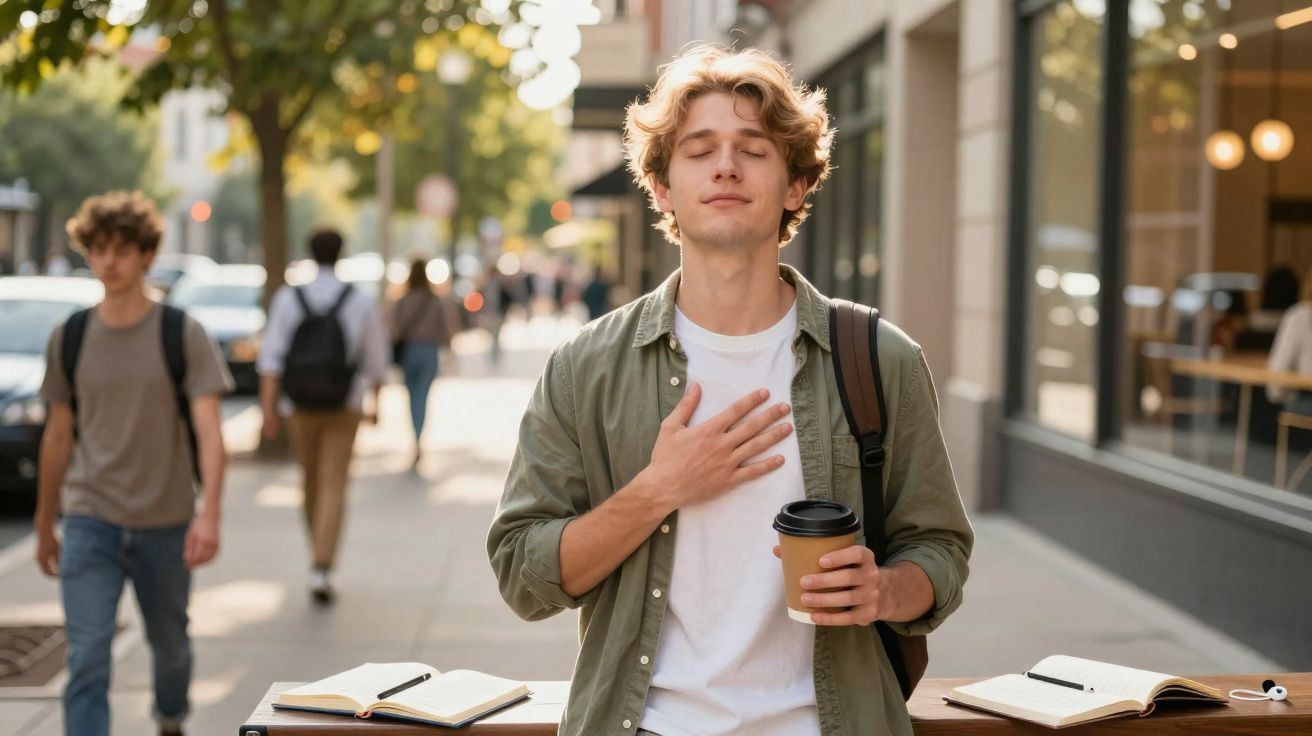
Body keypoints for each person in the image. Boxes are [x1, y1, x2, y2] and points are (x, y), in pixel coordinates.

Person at [487, 46, 973, 736]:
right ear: (662, 188)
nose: (725, 166)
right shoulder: (584, 367)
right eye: (698, 150)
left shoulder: (878, 359)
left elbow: (940, 549)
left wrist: (884, 589)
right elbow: (522, 574)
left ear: (796, 184)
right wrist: (660, 488)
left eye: (754, 148)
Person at [35, 191, 233, 736]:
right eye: (98, 250)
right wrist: (45, 521)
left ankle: (171, 719)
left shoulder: (181, 333)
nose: (109, 261)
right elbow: (58, 435)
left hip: (165, 522)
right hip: (89, 519)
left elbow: (210, 432)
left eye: (122, 249)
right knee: (89, 656)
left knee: (170, 649)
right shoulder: (69, 336)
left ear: (147, 254)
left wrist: (209, 513)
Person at [258, 229, 389, 603]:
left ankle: (316, 552)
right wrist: (376, 403)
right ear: (342, 253)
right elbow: (375, 360)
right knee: (335, 483)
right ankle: (323, 562)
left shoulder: (288, 298)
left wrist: (267, 410)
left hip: (298, 406)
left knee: (309, 481)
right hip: (344, 405)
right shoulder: (359, 302)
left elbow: (271, 359)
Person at [392, 257, 456, 468]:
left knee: (412, 397)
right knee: (423, 397)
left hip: (410, 351)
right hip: (429, 351)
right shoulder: (434, 299)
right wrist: (450, 353)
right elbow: (445, 328)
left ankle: (415, 437)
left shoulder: (402, 299)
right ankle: (419, 438)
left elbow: (394, 328)